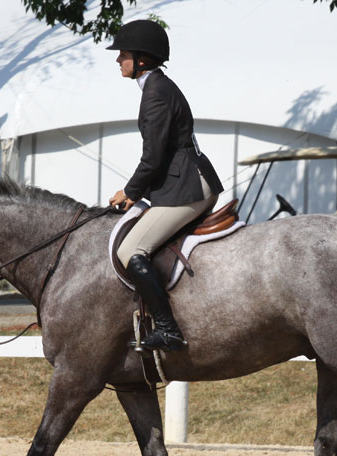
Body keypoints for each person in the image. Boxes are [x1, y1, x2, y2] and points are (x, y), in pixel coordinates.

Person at [107, 19, 224, 352]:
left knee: (131, 251)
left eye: (123, 55)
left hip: (186, 187)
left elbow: (153, 157)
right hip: (180, 182)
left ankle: (169, 329)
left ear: (142, 59)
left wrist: (130, 192)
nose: (118, 60)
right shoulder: (157, 87)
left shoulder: (156, 93)